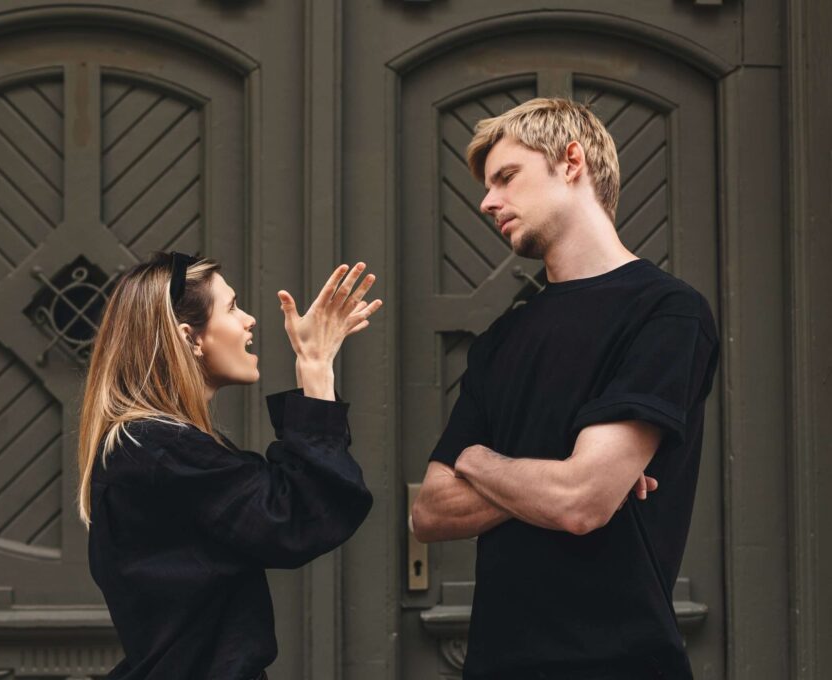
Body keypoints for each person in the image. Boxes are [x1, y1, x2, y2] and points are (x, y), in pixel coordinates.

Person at [411, 98, 719, 680]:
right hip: (497, 662)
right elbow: (429, 511)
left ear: (571, 161)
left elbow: (579, 504)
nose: (486, 201)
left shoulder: (666, 312)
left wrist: (476, 460)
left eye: (506, 177)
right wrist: (568, 475)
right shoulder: (501, 338)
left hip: (620, 662)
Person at [78, 252, 382, 680]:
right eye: (233, 307)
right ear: (190, 338)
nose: (249, 320)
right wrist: (315, 367)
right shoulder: (160, 450)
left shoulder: (153, 446)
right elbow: (298, 517)